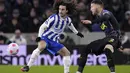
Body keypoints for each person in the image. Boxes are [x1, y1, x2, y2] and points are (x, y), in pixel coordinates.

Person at [21, 1, 84, 73]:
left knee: (67, 53)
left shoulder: (68, 20)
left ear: (67, 11)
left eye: (62, 9)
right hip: (46, 37)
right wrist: (39, 36)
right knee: (41, 47)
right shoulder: (54, 17)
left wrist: (77, 33)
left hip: (54, 41)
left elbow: (71, 27)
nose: (60, 11)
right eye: (60, 9)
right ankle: (28, 66)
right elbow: (42, 27)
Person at [76, 0, 121, 73]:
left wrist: (91, 22)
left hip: (114, 37)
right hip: (109, 39)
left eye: (92, 7)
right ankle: (78, 72)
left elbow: (106, 17)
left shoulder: (106, 13)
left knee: (108, 49)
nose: (90, 9)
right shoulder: (99, 18)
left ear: (98, 6)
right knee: (85, 49)